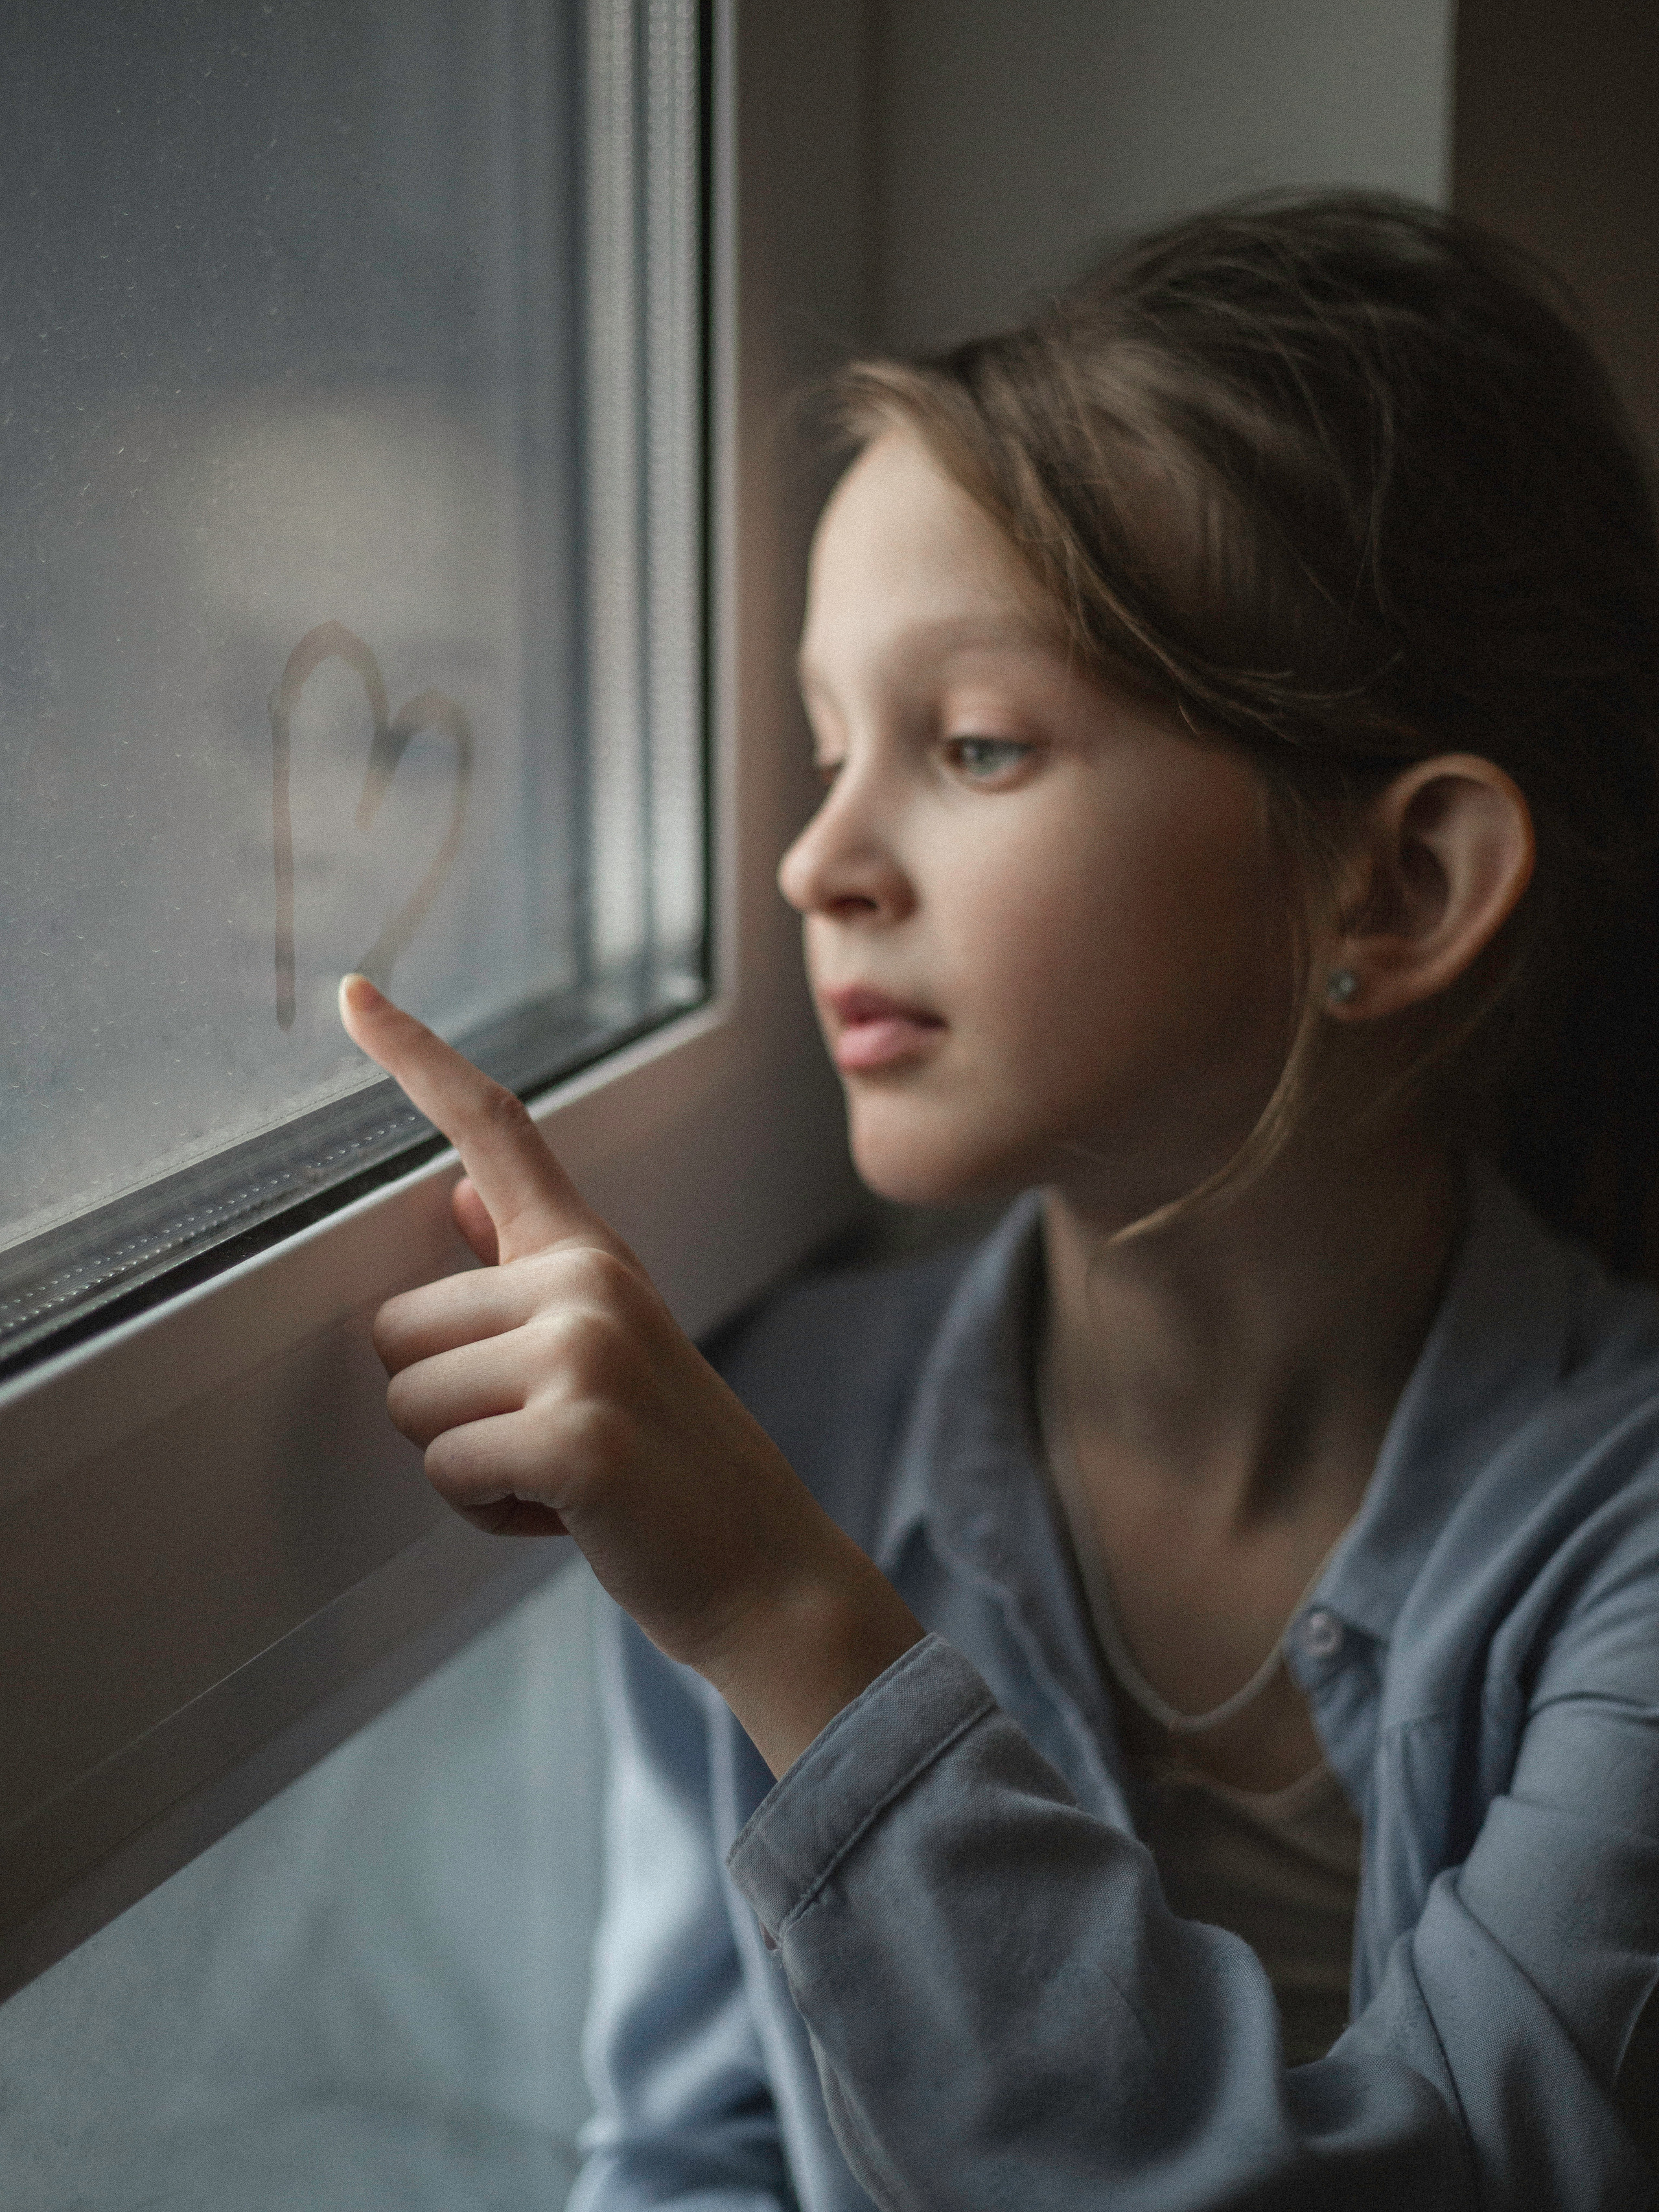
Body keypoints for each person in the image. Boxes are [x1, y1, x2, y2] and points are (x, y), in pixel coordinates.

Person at [338, 192, 1659, 2208]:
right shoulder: (776, 1416)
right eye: (821, 743)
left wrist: (791, 1620)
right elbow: (694, 2152)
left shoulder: (1626, 1530)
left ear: (1395, 889)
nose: (816, 864)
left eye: (971, 744)